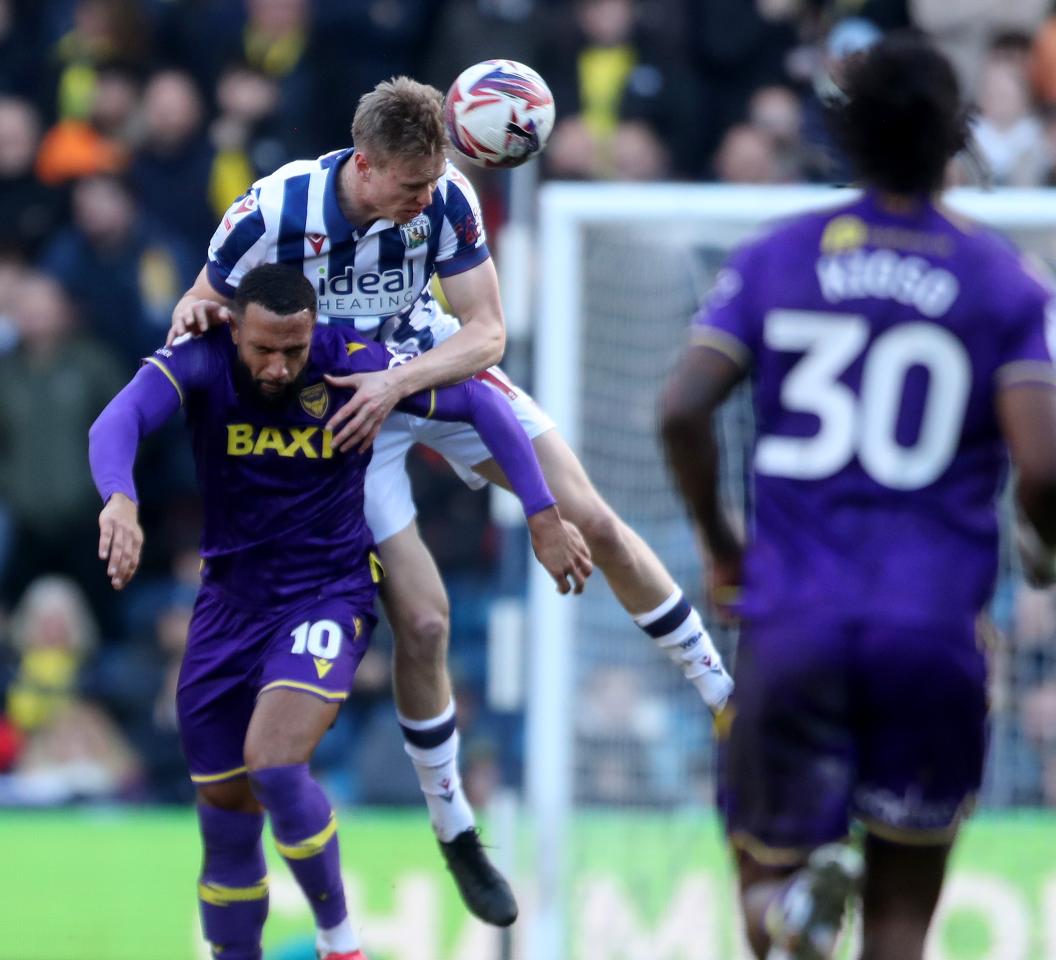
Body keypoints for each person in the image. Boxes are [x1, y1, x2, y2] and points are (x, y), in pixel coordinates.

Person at [164, 75, 734, 924]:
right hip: (342, 420)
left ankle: (726, 698)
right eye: (410, 186)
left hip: (421, 375)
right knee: (424, 622)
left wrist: (399, 381)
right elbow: (198, 307)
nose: (424, 199)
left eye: (433, 183)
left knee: (591, 516)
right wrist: (206, 341)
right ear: (363, 165)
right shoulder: (270, 212)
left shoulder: (448, 201)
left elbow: (487, 331)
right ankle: (455, 824)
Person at [659, 34, 1056, 960]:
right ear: (956, 141)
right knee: (899, 929)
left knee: (763, 875)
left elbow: (681, 408)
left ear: (844, 137)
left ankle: (789, 917)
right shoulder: (1001, 280)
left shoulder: (777, 258)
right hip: (931, 635)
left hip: (793, 622)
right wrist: (1044, 546)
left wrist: (723, 543)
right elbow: (1042, 469)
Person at [89, 264, 589, 960]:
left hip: (327, 594)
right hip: (228, 607)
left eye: (293, 349)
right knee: (227, 823)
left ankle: (341, 944)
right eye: (264, 348)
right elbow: (119, 419)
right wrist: (120, 496)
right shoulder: (202, 356)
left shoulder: (351, 364)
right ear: (234, 325)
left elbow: (483, 405)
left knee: (273, 763)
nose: (278, 365)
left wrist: (540, 511)